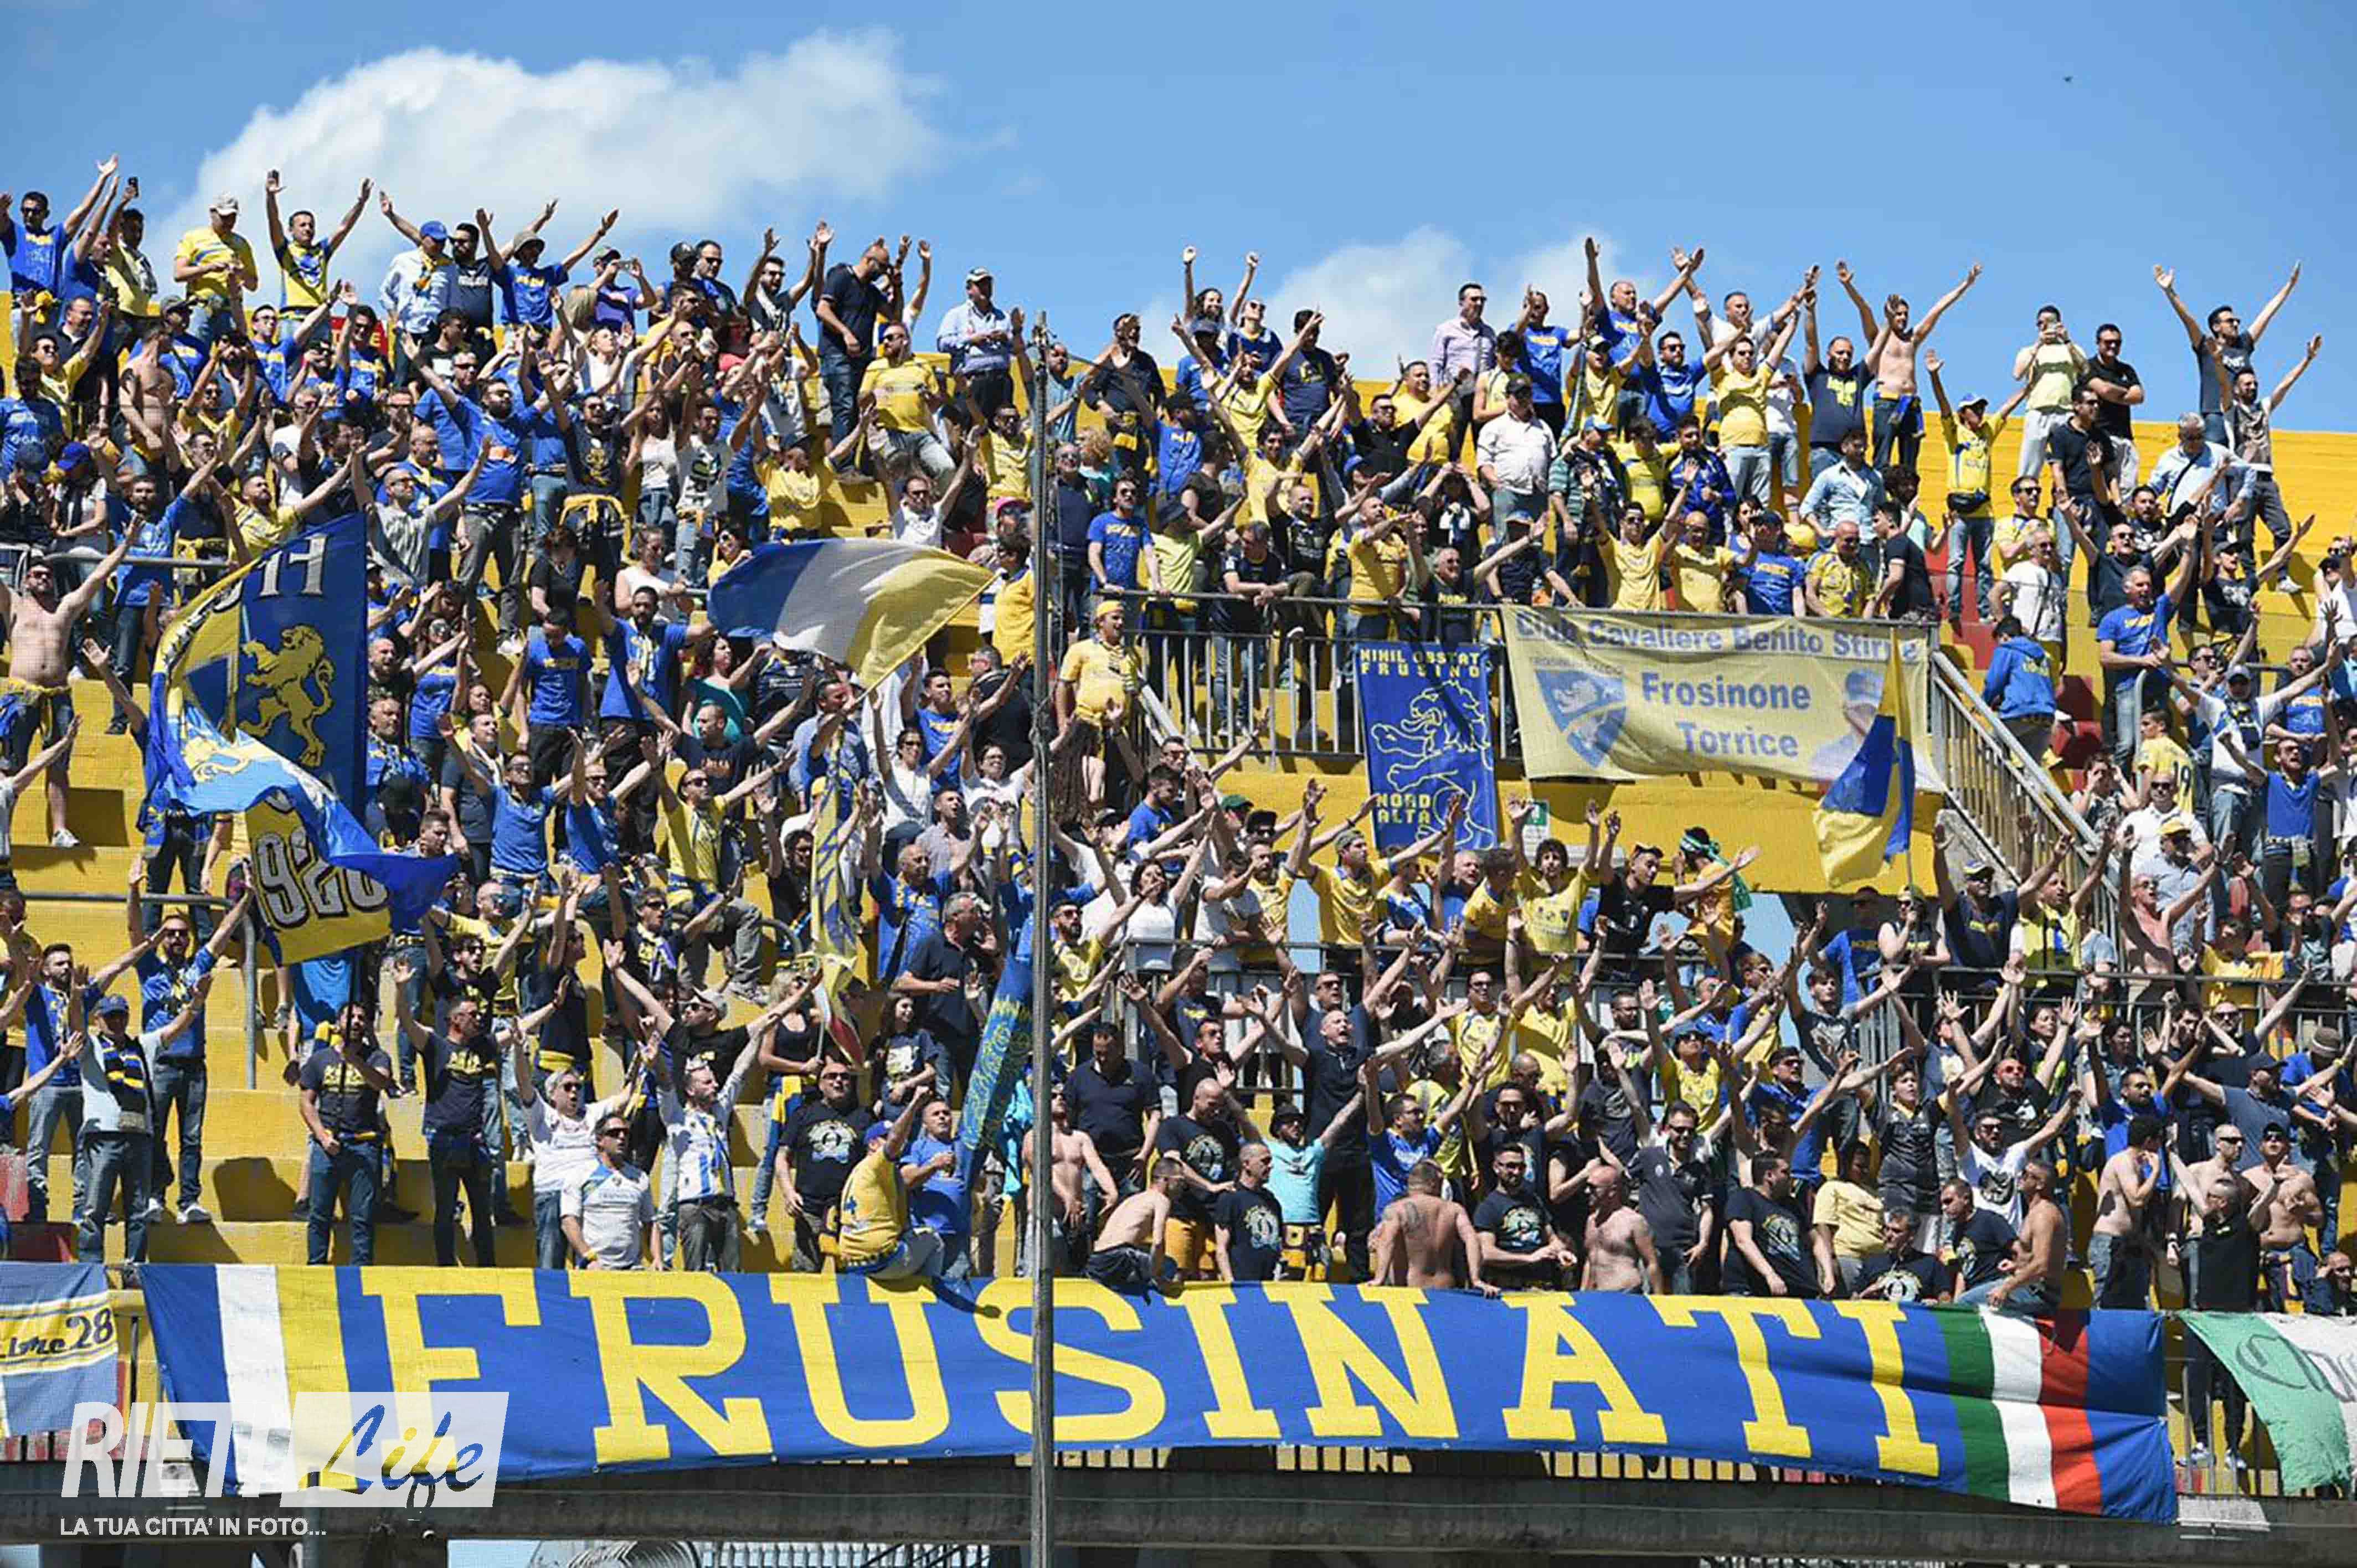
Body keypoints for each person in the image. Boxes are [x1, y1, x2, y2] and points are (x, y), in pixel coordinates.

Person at [651, 1020, 763, 1272]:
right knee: (696, 1272)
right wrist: (657, 1061)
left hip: (726, 1204)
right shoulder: (677, 1118)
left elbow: (740, 1070)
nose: (715, 1086)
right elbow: (666, 1085)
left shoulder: (720, 1111)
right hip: (694, 1205)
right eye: (707, 1083)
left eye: (713, 1082)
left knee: (733, 1273)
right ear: (690, 1089)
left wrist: (760, 1035)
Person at [299, 1007, 399, 1266]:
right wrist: (322, 1136)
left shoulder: (377, 1057)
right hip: (328, 1146)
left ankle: (361, 1272)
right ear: (338, 1023)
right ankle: (316, 1269)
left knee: (363, 1218)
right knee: (319, 1215)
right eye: (350, 1017)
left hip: (364, 1145)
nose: (356, 1022)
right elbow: (306, 1102)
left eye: (361, 1018)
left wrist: (355, 1061)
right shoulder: (320, 1059)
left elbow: (381, 1083)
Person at [837, 1087, 948, 1281]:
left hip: (851, 1262)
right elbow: (896, 1139)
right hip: (882, 1260)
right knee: (933, 1239)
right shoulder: (876, 1164)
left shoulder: (858, 1171)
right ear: (873, 1144)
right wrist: (915, 1103)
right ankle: (929, 1294)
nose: (900, 1143)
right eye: (885, 1138)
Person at [1372, 1160, 1496, 1294]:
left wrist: (1379, 1279)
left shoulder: (1397, 1209)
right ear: (1433, 1183)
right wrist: (1476, 1279)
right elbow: (1472, 1240)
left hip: (1410, 1290)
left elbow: (1387, 1242)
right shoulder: (1454, 1209)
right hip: (1445, 1289)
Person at [1089, 1156, 1185, 1293]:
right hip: (1118, 1258)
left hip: (1096, 1260)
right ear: (1165, 1179)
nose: (1183, 1187)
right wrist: (1157, 1276)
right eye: (1180, 1181)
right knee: (1169, 1265)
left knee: (1150, 1257)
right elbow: (1158, 1242)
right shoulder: (1161, 1200)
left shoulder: (1134, 1199)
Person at [1579, 1164, 1664, 1294]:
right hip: (1594, 1296)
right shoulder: (1591, 1221)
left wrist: (1659, 1298)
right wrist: (1582, 1293)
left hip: (1625, 1293)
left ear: (1612, 1191)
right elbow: (1590, 1261)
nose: (1587, 1191)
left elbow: (1651, 1262)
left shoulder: (1634, 1221)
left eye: (1593, 1188)